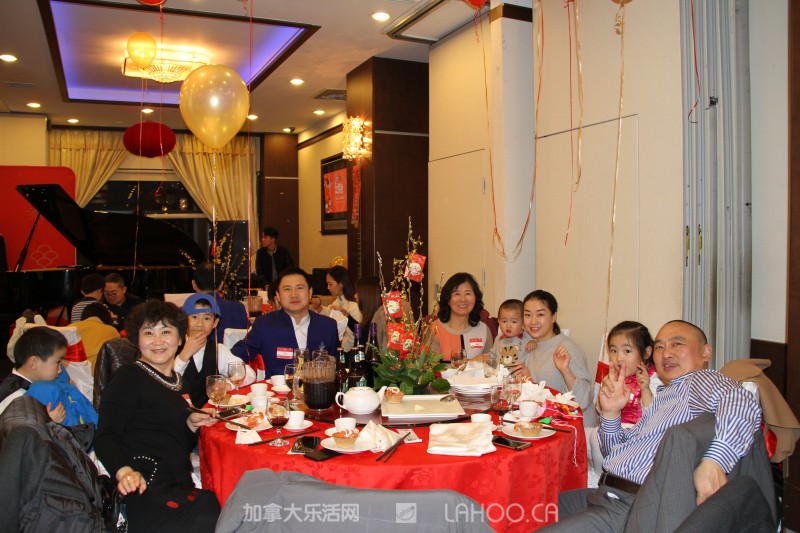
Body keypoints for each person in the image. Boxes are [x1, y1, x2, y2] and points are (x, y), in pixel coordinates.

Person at [545, 320, 762, 532]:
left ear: (706, 352)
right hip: (604, 495)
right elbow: (613, 453)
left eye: (677, 344)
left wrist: (716, 461)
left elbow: (741, 401)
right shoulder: (667, 397)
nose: (666, 353)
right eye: (659, 347)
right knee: (530, 506)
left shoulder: (699, 381)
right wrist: (611, 413)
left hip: (629, 507)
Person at [95, 300, 220, 532]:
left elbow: (173, 438)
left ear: (180, 338)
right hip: (145, 485)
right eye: (149, 333)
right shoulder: (128, 377)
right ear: (137, 339)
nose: (158, 341)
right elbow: (104, 435)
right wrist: (124, 472)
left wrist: (191, 424)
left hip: (178, 482)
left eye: (166, 332)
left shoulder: (178, 382)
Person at [231, 267, 339, 376]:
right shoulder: (264, 325)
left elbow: (337, 365)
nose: (294, 294)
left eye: (299, 288)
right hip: (278, 386)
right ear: (278, 296)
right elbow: (235, 356)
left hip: (318, 386)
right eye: (287, 289)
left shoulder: (328, 326)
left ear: (310, 292)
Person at [513, 290, 595, 426]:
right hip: (545, 423)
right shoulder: (531, 347)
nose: (533, 321)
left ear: (553, 317)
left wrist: (566, 370)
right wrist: (526, 380)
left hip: (572, 427)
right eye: (527, 315)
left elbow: (584, 399)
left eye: (540, 314)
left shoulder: (565, 349)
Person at [175, 293, 255, 408]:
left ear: (215, 323)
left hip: (209, 414)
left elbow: (248, 373)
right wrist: (184, 355)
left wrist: (228, 385)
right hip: (175, 413)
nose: (200, 324)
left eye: (207, 318)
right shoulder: (171, 348)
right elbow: (165, 384)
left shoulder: (218, 350)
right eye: (194, 317)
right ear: (184, 320)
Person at [0, 327, 66, 422]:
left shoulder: (31, 386)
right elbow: (14, 430)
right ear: (34, 363)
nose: (60, 370)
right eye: (57, 362)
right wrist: (50, 421)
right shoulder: (17, 397)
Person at [430, 272, 493, 361]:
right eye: (457, 294)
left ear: (476, 298)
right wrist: (471, 363)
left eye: (468, 293)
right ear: (448, 299)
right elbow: (430, 367)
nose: (463, 299)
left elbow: (490, 365)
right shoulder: (435, 329)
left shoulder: (484, 330)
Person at [192, 261, 249, 343]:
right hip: (235, 351)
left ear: (193, 284)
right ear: (221, 285)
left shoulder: (189, 311)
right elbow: (248, 335)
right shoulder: (238, 308)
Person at [73, 302, 120, 371]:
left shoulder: (70, 328)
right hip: (97, 373)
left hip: (70, 373)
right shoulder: (111, 331)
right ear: (106, 317)